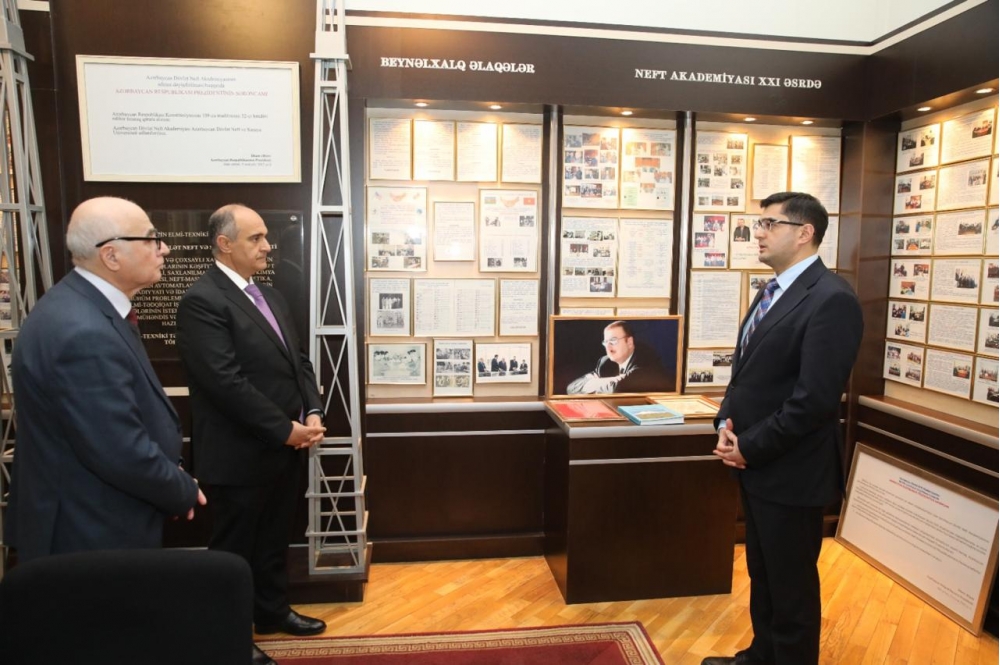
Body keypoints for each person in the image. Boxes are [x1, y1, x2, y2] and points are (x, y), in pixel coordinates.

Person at [704, 192, 863, 665]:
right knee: (765, 575)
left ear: (804, 232)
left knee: (791, 588)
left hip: (793, 473)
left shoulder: (832, 299)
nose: (758, 232)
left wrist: (749, 447)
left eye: (770, 224)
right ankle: (762, 656)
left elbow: (813, 401)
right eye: (759, 223)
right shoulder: (773, 289)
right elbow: (747, 374)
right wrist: (725, 424)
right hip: (757, 466)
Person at [5, 197, 204, 563]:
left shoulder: (84, 308)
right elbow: (117, 449)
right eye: (151, 238)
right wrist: (179, 489)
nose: (164, 248)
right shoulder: (83, 331)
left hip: (97, 518)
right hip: (87, 532)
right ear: (111, 256)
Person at [176, 204, 327, 665]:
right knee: (235, 551)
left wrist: (313, 410)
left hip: (285, 448)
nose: (267, 246)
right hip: (239, 455)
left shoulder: (270, 295)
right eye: (255, 238)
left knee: (274, 539)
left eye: (265, 236)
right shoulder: (202, 300)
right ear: (224, 244)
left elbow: (298, 360)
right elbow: (225, 383)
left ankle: (272, 612)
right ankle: (230, 635)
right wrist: (284, 429)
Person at [566, 320, 672, 394]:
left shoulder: (645, 359)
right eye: (606, 342)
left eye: (613, 341)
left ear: (629, 342)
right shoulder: (605, 362)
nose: (608, 347)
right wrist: (614, 379)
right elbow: (572, 387)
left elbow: (618, 388)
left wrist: (595, 384)